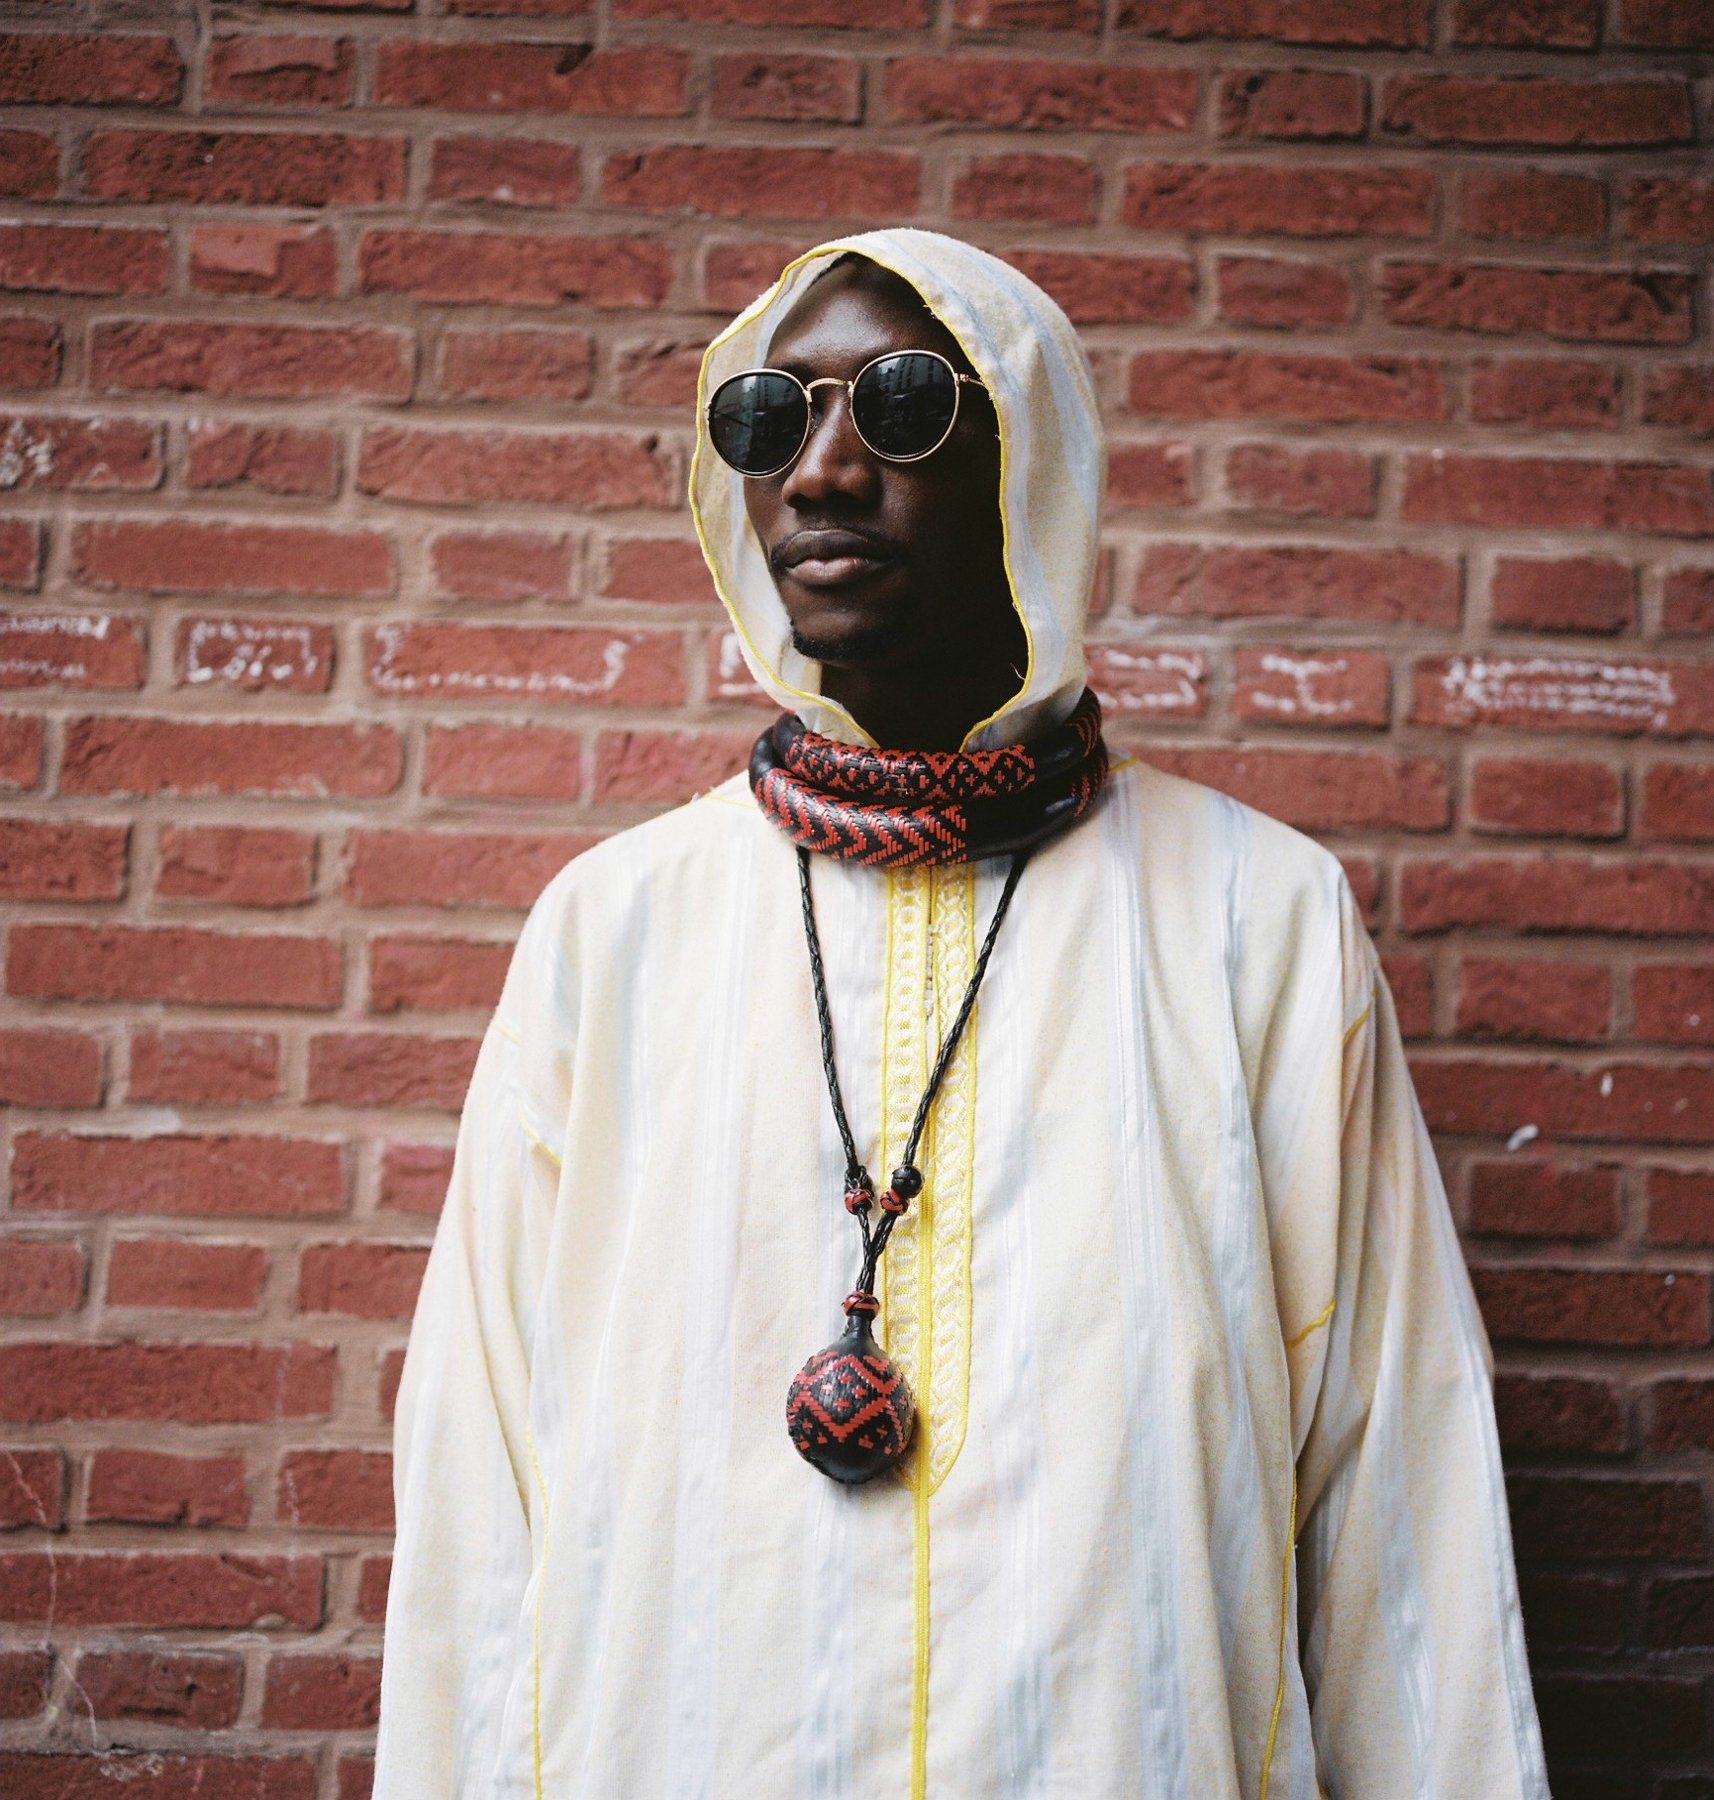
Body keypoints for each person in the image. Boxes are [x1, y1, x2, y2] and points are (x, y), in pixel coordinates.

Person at [372, 229, 1549, 1800]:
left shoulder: (1254, 922)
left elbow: (1398, 1486)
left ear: (1030, 463)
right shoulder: (617, 929)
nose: (820, 472)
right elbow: (478, 1481)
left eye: (903, 406)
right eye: (770, 419)